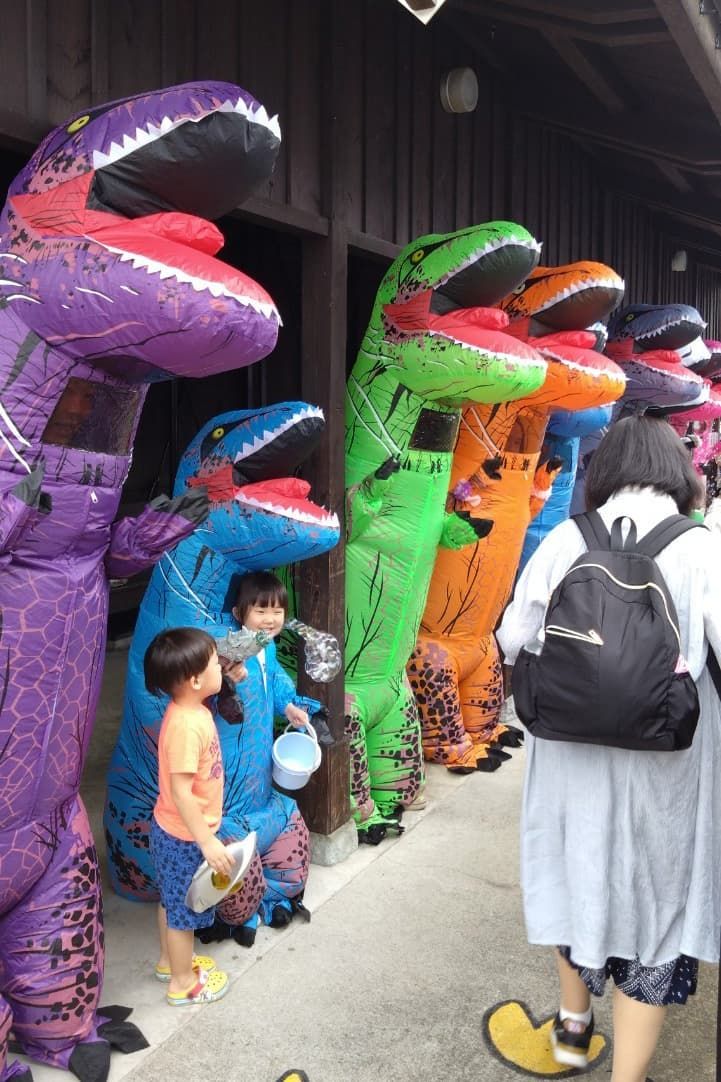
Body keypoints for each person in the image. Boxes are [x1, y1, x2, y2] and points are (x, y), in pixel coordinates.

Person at [497, 415, 721, 1082]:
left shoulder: (567, 536)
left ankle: (571, 1027)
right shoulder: (699, 545)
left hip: (569, 753)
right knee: (653, 903)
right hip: (668, 762)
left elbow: (513, 639)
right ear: (678, 474)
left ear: (604, 473)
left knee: (576, 872)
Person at [144, 626, 234, 1005]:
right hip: (183, 836)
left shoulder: (192, 708)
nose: (221, 668)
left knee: (171, 900)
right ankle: (182, 983)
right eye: (216, 663)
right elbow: (181, 792)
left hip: (177, 830)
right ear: (196, 679)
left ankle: (169, 961)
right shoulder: (184, 725)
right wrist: (206, 840)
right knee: (182, 912)